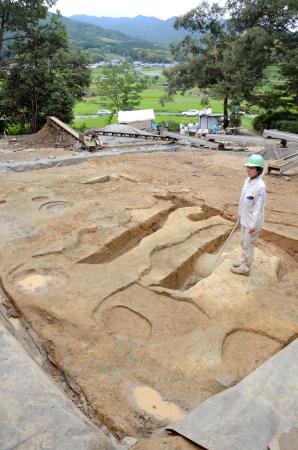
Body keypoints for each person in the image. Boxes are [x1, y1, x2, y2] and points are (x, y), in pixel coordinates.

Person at [231, 154, 266, 276]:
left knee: (248, 244)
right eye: (248, 167)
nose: (248, 170)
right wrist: (240, 213)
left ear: (259, 170)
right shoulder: (247, 181)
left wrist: (252, 225)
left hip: (253, 222)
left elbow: (258, 207)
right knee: (243, 242)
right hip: (244, 218)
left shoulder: (260, 186)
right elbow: (243, 199)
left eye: (252, 168)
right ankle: (243, 262)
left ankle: (245, 268)